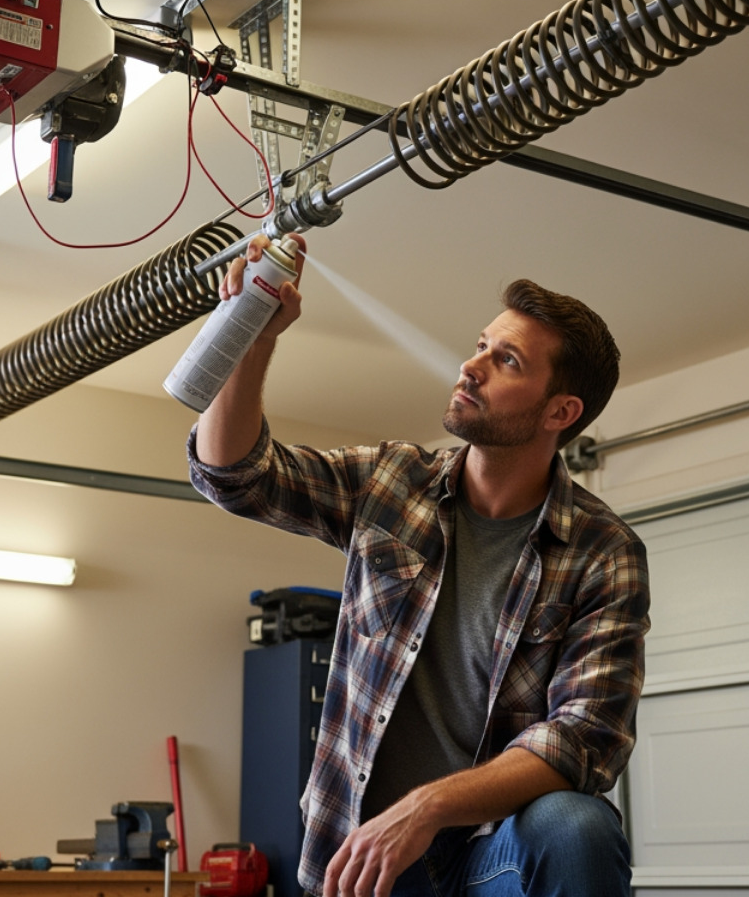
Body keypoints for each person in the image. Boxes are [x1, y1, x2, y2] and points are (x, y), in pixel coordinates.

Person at [188, 233, 649, 897]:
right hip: (363, 857)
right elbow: (235, 475)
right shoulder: (391, 482)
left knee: (579, 826)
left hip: (488, 857)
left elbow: (586, 736)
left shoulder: (604, 551)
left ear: (561, 411)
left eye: (507, 360)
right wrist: (253, 336)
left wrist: (428, 807)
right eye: (481, 345)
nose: (472, 366)